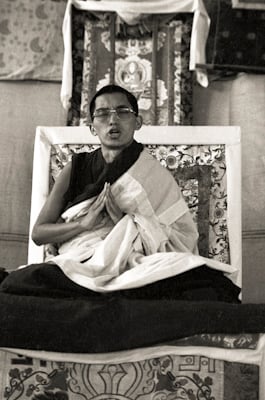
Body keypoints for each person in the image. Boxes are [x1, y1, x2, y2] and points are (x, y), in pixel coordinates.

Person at [1, 85, 240, 302]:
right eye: (103, 114)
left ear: (138, 122)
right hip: (81, 261)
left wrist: (125, 224)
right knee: (17, 284)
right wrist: (84, 224)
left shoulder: (154, 174)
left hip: (137, 264)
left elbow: (183, 239)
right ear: (92, 127)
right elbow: (39, 234)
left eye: (123, 111)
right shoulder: (76, 168)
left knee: (210, 285)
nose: (113, 120)